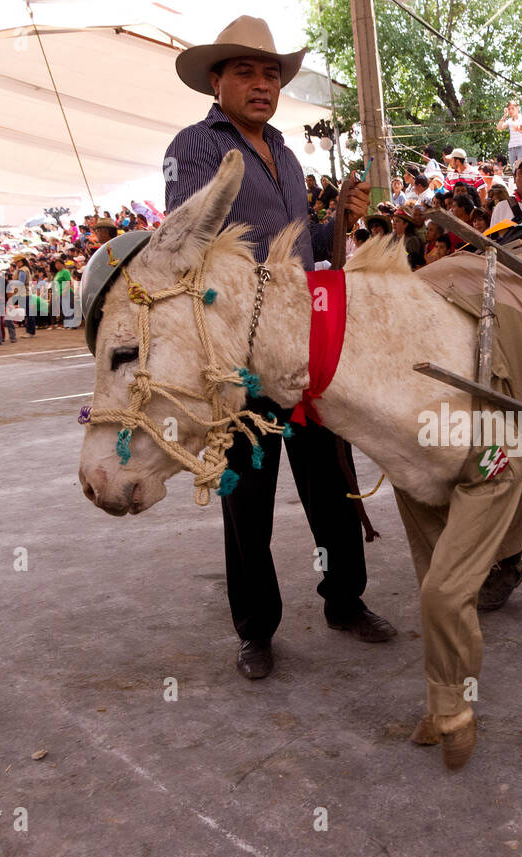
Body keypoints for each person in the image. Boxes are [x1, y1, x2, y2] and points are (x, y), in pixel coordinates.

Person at [165, 15, 392, 680]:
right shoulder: (195, 147)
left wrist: (336, 221)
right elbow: (190, 238)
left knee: (332, 481)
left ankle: (344, 599)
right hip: (240, 352)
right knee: (248, 494)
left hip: (304, 350)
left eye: (271, 74)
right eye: (246, 72)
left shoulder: (288, 155)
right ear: (218, 81)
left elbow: (306, 248)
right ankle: (256, 628)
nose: (262, 85)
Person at [496, 99, 522, 166]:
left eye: (513, 108)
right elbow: (499, 127)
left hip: (521, 147)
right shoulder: (509, 121)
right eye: (509, 109)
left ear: (517, 108)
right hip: (511, 148)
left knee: (521, 167)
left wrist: (518, 129)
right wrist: (504, 115)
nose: (511, 110)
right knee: (514, 169)